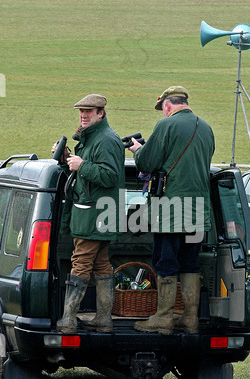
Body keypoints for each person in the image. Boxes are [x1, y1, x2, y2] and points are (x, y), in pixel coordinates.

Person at [129, 85, 215, 335]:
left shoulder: (165, 125)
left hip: (170, 208)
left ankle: (164, 318)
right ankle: (190, 319)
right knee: (190, 263)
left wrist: (137, 151)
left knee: (165, 261)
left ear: (167, 105)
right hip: (199, 210)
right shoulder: (207, 128)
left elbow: (147, 162)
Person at [54, 93, 125, 334]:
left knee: (81, 262)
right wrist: (67, 161)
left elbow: (109, 176)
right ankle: (103, 319)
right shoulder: (95, 138)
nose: (83, 116)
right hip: (97, 212)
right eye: (81, 112)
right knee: (101, 264)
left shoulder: (105, 140)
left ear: (100, 113)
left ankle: (68, 319)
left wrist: (81, 165)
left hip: (94, 214)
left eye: (89, 112)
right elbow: (85, 177)